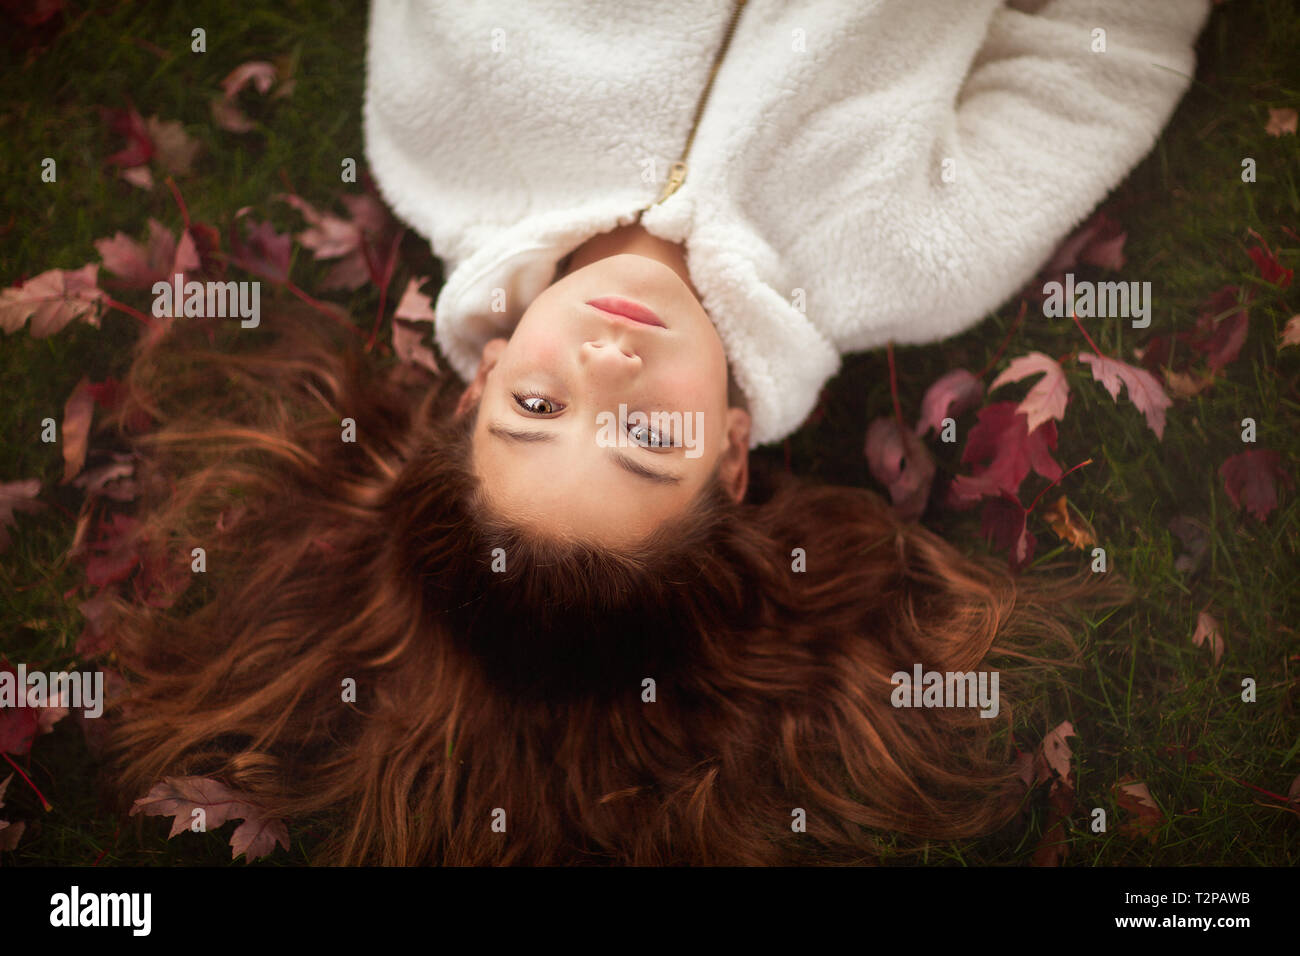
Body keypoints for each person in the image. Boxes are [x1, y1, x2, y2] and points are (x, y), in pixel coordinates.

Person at [364, 0, 1211, 544]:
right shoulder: (912, 263)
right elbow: (1102, 56)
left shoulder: (440, 140)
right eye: (652, 438)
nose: (610, 367)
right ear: (731, 458)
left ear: (483, 380)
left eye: (538, 406)